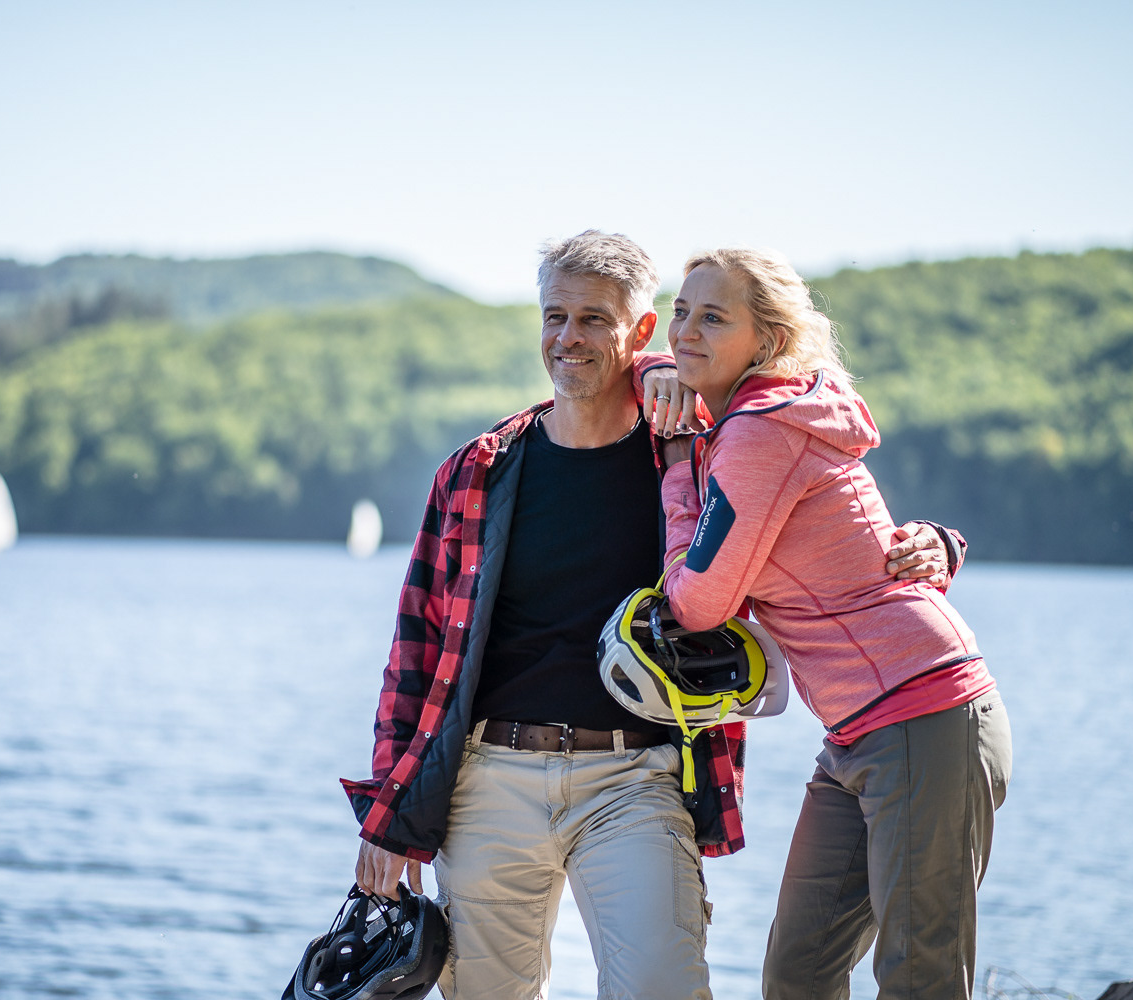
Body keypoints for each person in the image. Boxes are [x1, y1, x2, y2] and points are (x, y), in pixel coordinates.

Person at [341, 231, 955, 1000]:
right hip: (487, 781)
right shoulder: (478, 472)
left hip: (635, 780)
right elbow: (416, 650)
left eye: (594, 319)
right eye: (555, 316)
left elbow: (826, 517)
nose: (568, 337)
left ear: (641, 332)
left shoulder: (697, 459)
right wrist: (389, 814)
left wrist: (933, 544)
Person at [655, 247, 1012, 1000]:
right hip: (859, 732)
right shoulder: (768, 413)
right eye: (680, 311)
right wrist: (658, 375)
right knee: (800, 972)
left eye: (712, 317)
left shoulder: (759, 432)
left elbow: (700, 603)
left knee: (919, 979)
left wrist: (680, 473)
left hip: (922, 715)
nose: (685, 331)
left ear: (768, 340)